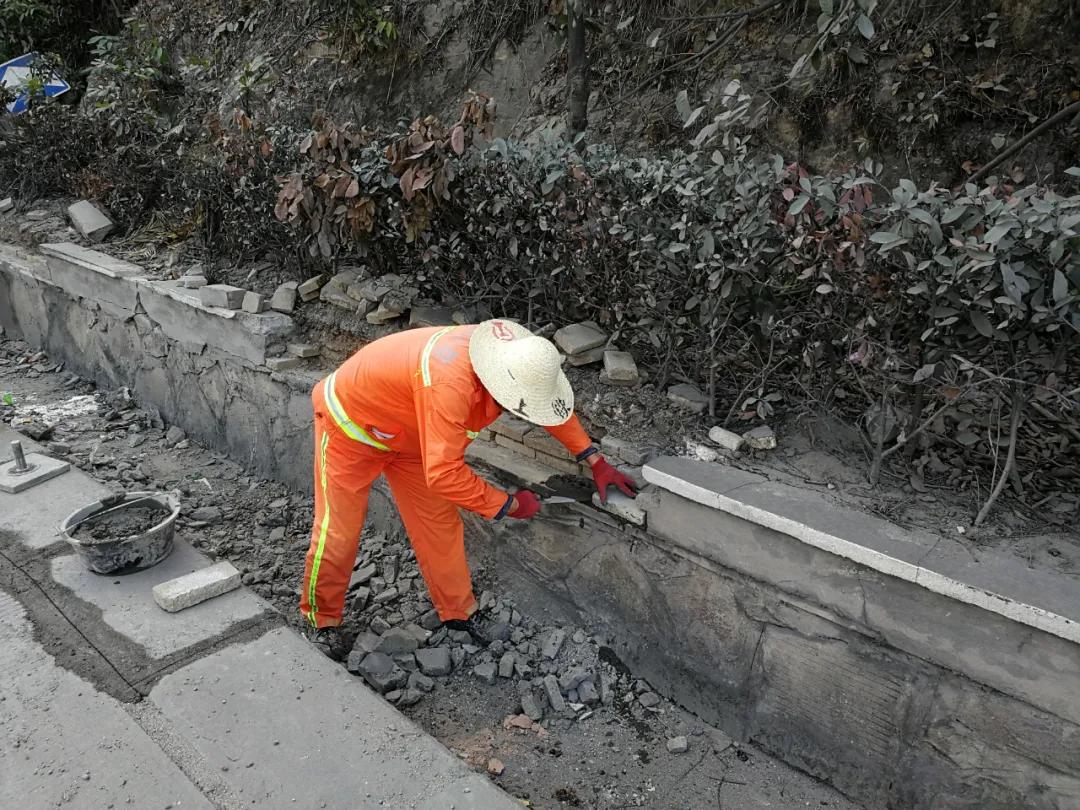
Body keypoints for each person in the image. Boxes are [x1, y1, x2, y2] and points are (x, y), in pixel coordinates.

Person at [300, 319, 636, 655]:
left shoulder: (516, 358)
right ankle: (322, 620)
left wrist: (594, 459)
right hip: (351, 430)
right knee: (339, 530)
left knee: (440, 526)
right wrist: (509, 505)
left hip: (415, 441)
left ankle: (459, 614)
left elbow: (550, 405)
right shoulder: (450, 384)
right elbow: (444, 473)